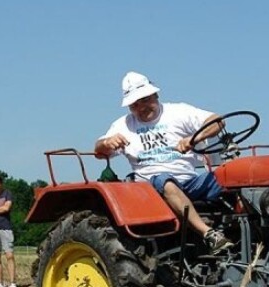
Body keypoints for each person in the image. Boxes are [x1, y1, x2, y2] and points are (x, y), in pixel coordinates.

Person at [94, 71, 233, 254]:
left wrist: (193, 138)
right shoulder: (123, 125)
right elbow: (99, 150)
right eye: (134, 105)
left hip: (189, 181)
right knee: (164, 181)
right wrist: (106, 142)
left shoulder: (178, 112)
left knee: (230, 178)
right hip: (150, 187)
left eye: (145, 100)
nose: (141, 107)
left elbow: (217, 121)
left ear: (155, 95)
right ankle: (208, 234)